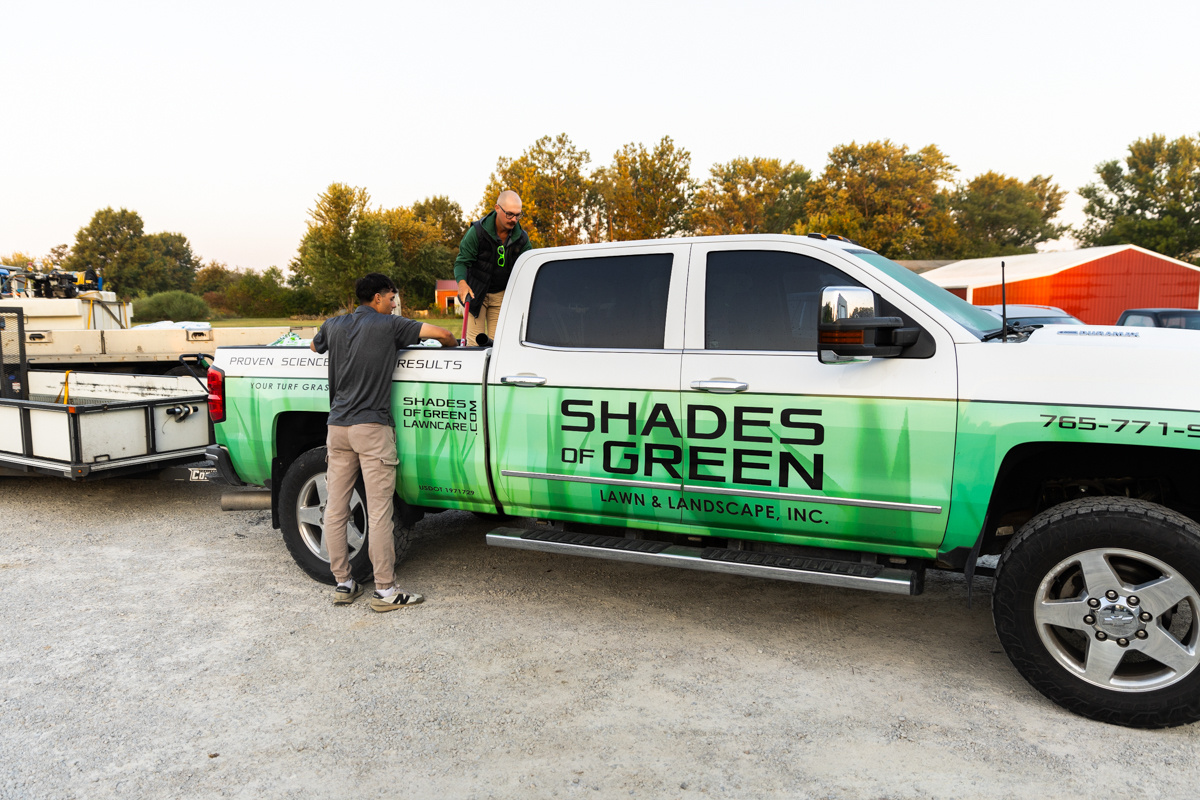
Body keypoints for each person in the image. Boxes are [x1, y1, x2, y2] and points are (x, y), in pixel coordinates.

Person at [309, 273, 458, 611]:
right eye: (392, 297)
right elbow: (444, 334)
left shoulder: (333, 324)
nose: (395, 303)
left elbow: (313, 346)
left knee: (335, 508)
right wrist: (451, 347)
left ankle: (344, 584)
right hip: (372, 428)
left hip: (337, 427)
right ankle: (385, 591)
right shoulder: (390, 326)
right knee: (378, 512)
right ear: (376, 298)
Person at [454, 190, 531, 345]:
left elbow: (528, 266)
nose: (514, 219)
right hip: (475, 294)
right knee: (475, 345)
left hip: (501, 295)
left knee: (498, 346)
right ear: (497, 208)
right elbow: (462, 262)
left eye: (518, 215)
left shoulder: (522, 238)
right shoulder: (476, 233)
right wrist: (462, 283)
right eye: (509, 214)